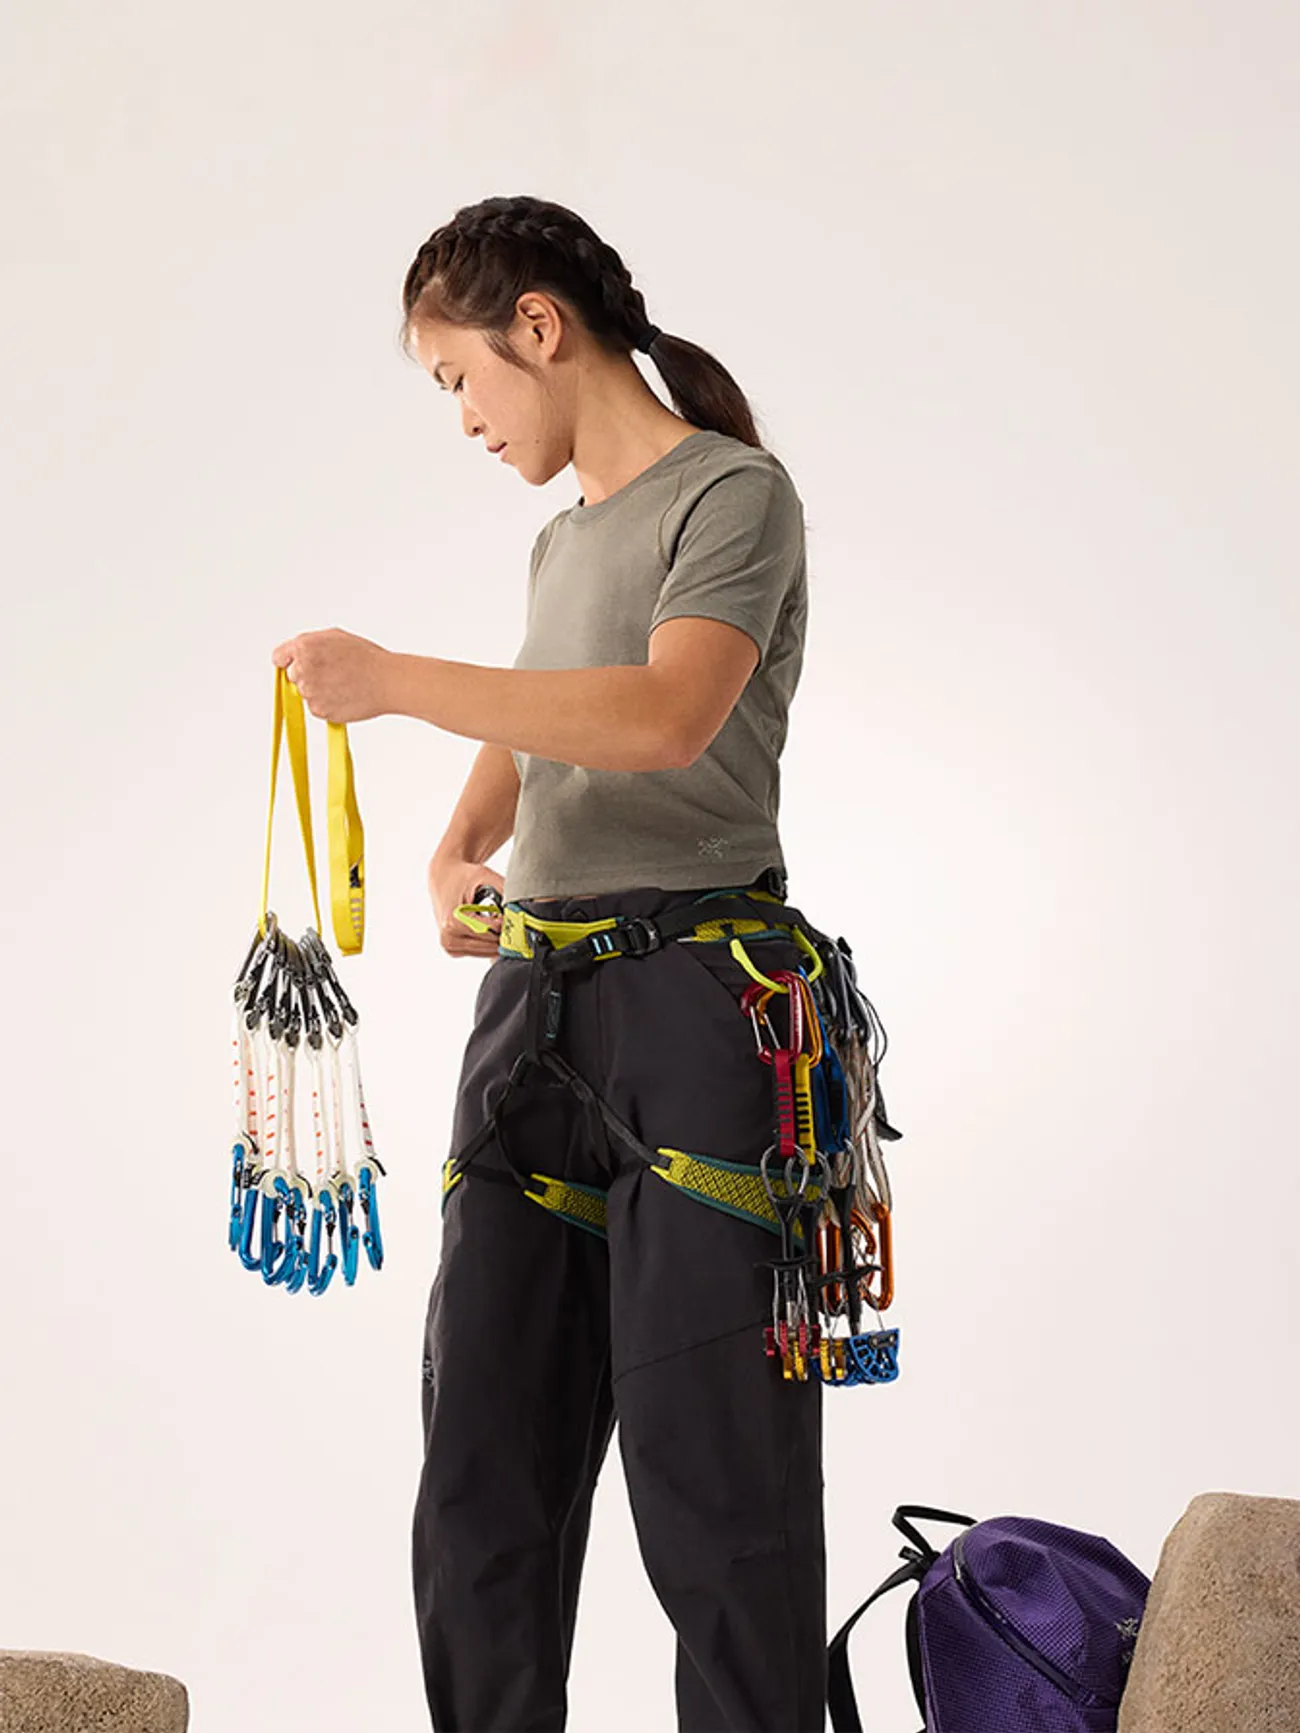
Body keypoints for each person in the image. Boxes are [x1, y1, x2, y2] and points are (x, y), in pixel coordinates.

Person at [272, 194, 822, 1732]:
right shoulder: (562, 540)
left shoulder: (734, 496)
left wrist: (394, 680)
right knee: (483, 1464)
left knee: (714, 1475)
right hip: (537, 1006)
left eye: (461, 376)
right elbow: (544, 711)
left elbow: (661, 715)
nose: (462, 415)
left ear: (539, 326)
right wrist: (458, 848)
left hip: (702, 1000)